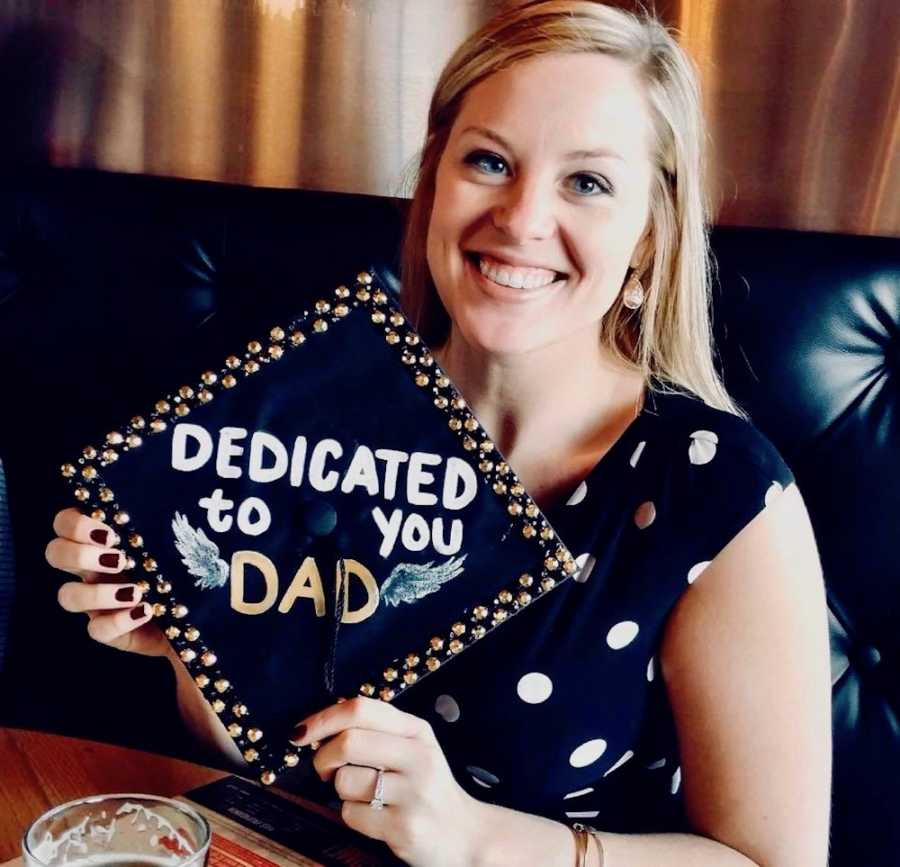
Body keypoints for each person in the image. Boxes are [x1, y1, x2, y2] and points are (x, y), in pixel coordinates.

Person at [45, 1, 832, 865]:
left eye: (588, 182)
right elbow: (256, 759)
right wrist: (193, 636)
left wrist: (476, 838)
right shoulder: (316, 422)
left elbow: (773, 861)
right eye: (489, 161)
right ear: (433, 186)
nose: (524, 218)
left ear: (649, 237)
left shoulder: (716, 491)